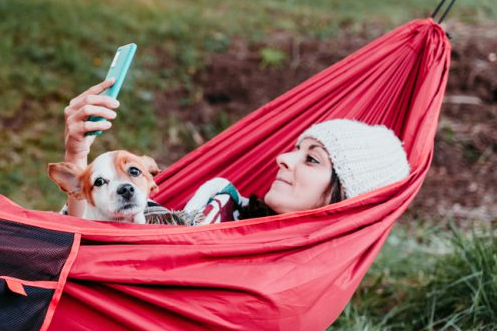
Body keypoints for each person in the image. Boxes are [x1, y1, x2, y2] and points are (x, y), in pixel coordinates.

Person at [61, 78, 410, 224]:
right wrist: (78, 157)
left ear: (345, 198)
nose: (283, 158)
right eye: (295, 149)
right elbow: (83, 237)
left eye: (312, 158)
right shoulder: (224, 205)